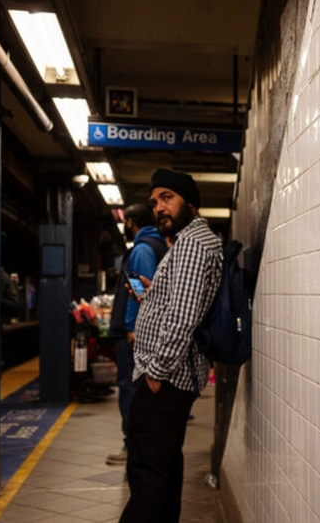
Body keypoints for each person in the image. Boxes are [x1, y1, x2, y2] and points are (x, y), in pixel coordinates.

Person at [119, 169, 222, 523]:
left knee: (147, 476)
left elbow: (182, 318)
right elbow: (178, 305)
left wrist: (155, 373)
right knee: (161, 475)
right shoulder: (187, 244)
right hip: (169, 379)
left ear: (190, 203)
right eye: (154, 202)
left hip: (164, 381)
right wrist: (151, 295)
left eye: (167, 198)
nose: (159, 207)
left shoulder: (193, 245)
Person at [106, 204, 168, 465]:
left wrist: (131, 327)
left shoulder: (142, 250)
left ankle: (132, 446)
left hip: (135, 332)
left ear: (130, 222)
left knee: (130, 389)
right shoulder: (156, 245)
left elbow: (139, 290)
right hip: (144, 330)